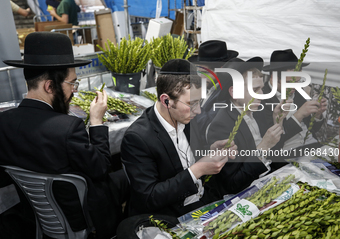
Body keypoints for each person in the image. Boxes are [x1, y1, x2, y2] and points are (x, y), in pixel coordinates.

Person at [0, 32, 127, 239]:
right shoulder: (68, 127)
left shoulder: (4, 122)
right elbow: (101, 169)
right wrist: (96, 122)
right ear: (49, 86)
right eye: (72, 84)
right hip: (81, 216)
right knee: (126, 172)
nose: (74, 92)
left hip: (36, 217)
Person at [121, 59, 238, 217]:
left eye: (199, 102)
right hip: (169, 216)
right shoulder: (137, 138)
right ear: (166, 101)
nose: (198, 111)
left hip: (203, 201)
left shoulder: (187, 117)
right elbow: (149, 197)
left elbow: (190, 154)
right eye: (192, 103)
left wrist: (211, 150)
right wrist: (197, 171)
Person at [207, 57, 288, 194]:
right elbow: (233, 183)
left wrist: (277, 122)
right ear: (234, 92)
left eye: (262, 88)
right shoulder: (221, 125)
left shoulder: (258, 112)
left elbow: (275, 153)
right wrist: (263, 147)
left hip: (272, 177)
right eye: (255, 89)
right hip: (249, 191)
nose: (262, 95)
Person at [262, 49, 327, 151]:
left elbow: (313, 129)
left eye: (298, 81)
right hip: (287, 153)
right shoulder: (262, 99)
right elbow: (273, 142)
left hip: (312, 145)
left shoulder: (298, 92)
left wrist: (317, 115)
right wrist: (299, 115)